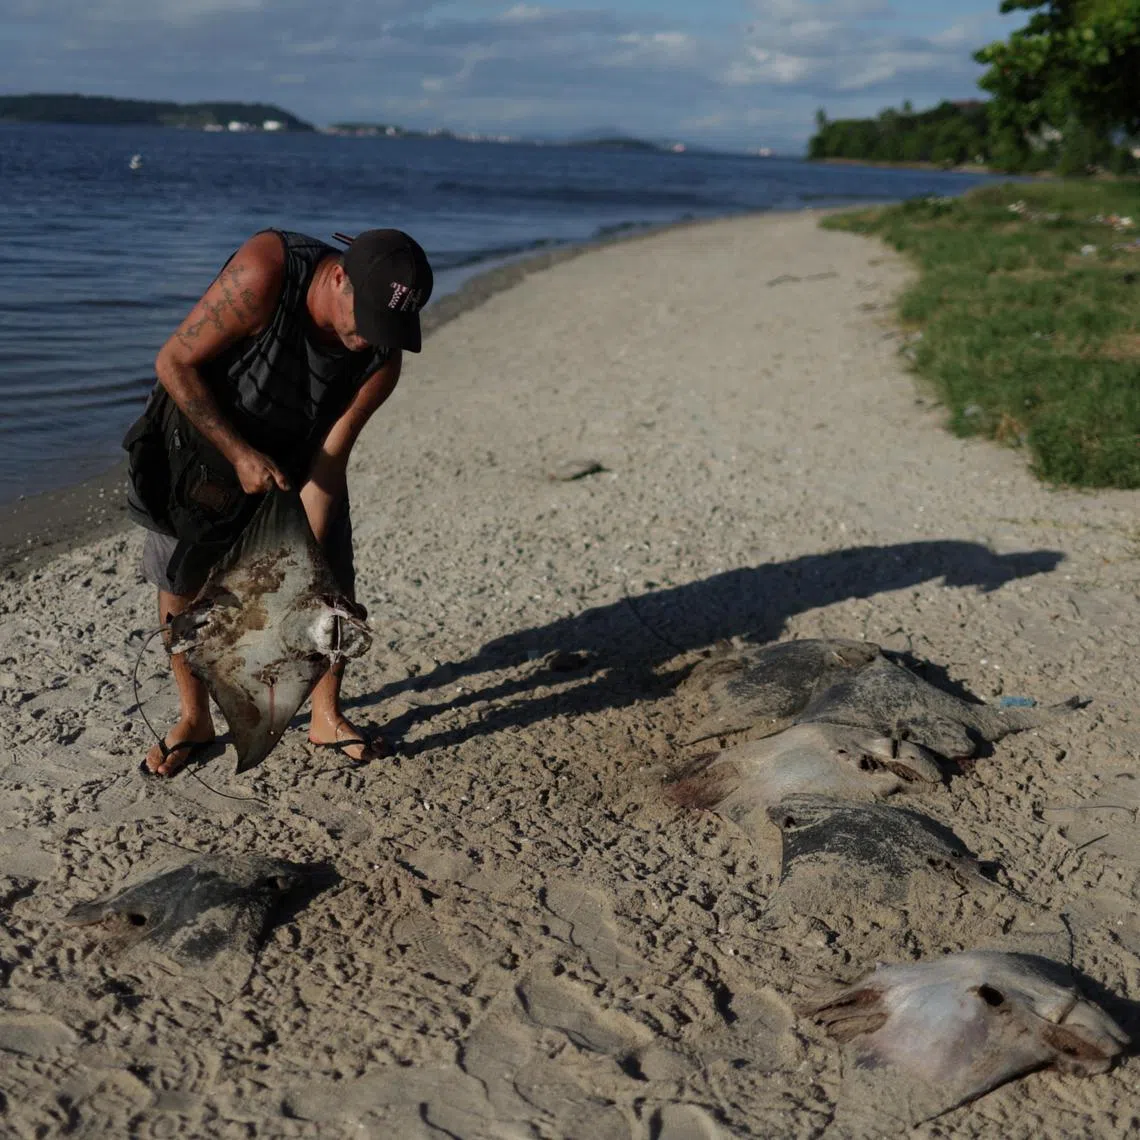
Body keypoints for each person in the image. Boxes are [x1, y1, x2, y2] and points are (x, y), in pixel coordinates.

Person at [127, 227, 433, 776]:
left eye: (387, 328)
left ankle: (325, 715)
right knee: (181, 579)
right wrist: (238, 453)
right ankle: (194, 717)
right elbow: (173, 362)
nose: (370, 338)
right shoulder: (266, 271)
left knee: (332, 585)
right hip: (203, 435)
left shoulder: (380, 358)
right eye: (366, 320)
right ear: (339, 276)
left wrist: (310, 575)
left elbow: (328, 466)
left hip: (296, 456)